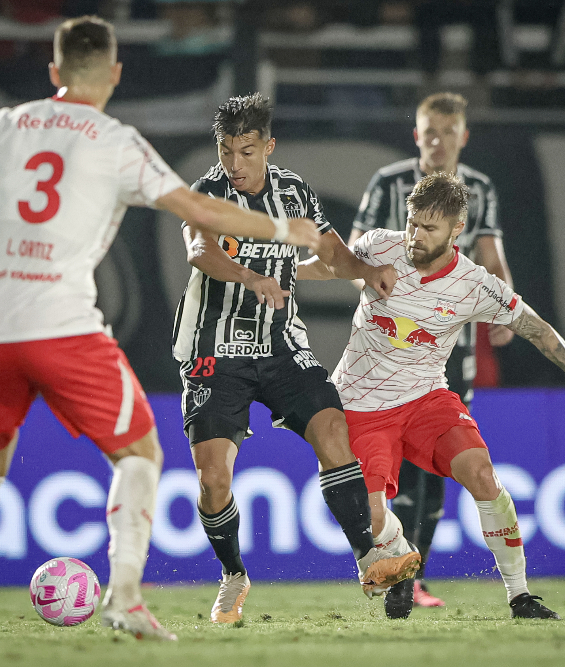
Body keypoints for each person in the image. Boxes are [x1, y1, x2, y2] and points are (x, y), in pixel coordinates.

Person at [0, 16, 320, 644]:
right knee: (140, 452)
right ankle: (124, 597)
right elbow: (198, 209)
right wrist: (283, 230)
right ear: (115, 74)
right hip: (61, 322)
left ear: (55, 72)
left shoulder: (5, 126)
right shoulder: (117, 141)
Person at [314, 172, 565, 619]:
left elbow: (536, 328)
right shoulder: (378, 246)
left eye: (429, 228)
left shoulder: (474, 284)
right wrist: (272, 276)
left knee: (483, 476)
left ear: (456, 229)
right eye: (412, 223)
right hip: (361, 406)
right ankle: (401, 566)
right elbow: (332, 264)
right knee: (370, 517)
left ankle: (520, 596)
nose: (415, 236)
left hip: (427, 398)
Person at [172, 92, 420, 624]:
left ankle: (368, 556)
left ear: (268, 146)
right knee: (213, 478)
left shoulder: (294, 191)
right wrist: (249, 276)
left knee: (333, 428)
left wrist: (366, 271)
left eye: (245, 151)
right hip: (216, 350)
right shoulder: (206, 192)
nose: (234, 164)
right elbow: (199, 250)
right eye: (225, 151)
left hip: (283, 344)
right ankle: (233, 574)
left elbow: (332, 253)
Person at [347, 91, 513, 610]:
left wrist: (503, 315)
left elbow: (491, 255)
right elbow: (354, 253)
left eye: (448, 131)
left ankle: (415, 576)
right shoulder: (388, 183)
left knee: (439, 463)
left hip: (447, 351)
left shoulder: (480, 189)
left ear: (463, 136)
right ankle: (394, 559)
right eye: (429, 130)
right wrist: (373, 284)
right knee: (389, 463)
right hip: (386, 352)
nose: (437, 140)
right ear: (416, 133)